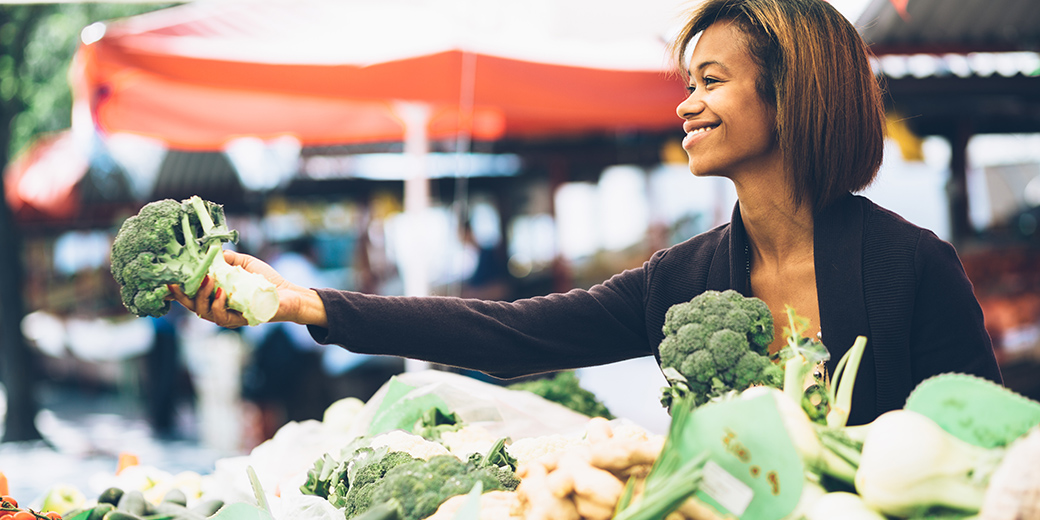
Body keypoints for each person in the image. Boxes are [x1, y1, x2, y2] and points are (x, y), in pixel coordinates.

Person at [170, 0, 1002, 426]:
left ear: (793, 93)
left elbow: (986, 443)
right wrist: (308, 303)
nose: (687, 105)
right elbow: (513, 335)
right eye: (687, 84)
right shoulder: (684, 280)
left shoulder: (913, 266)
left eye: (711, 81)